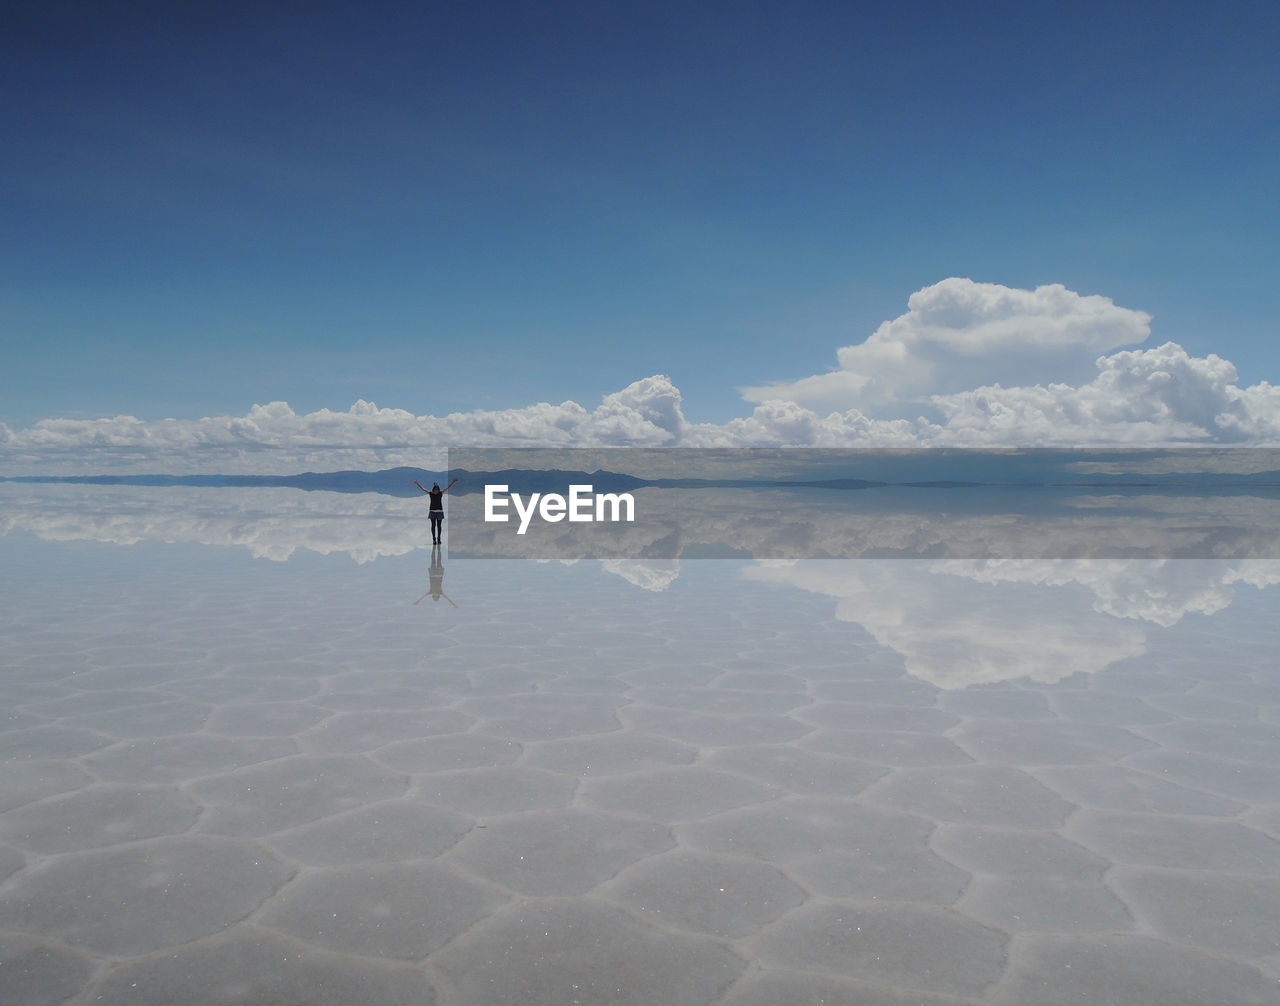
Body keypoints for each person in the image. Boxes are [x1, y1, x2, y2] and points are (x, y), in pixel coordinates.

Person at [415, 477, 458, 544]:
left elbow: (448, 488)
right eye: (435, 490)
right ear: (433, 490)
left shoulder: (440, 494)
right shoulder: (430, 494)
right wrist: (417, 483)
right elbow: (423, 489)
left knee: (439, 526)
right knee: (433, 526)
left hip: (439, 512)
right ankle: (434, 539)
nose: (436, 491)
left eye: (437, 490)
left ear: (438, 490)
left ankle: (439, 538)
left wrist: (453, 482)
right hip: (432, 512)